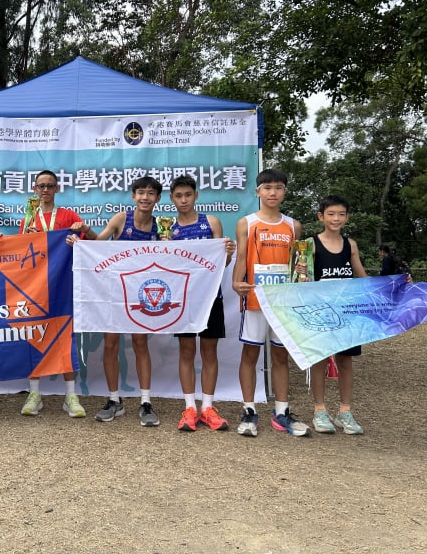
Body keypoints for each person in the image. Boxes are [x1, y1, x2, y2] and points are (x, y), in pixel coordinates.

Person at [70, 175, 163, 427]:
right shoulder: (122, 219)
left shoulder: (160, 226)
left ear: (157, 198)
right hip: (114, 294)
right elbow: (98, 246)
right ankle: (114, 400)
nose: (145, 197)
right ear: (133, 196)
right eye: (141, 192)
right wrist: (83, 237)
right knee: (111, 345)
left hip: (141, 295)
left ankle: (145, 402)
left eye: (150, 193)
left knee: (140, 344)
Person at [232, 168, 311, 437]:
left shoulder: (293, 225)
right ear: (258, 192)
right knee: (250, 354)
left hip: (283, 301)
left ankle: (281, 412)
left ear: (285, 192)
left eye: (278, 187)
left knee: (280, 355)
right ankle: (248, 410)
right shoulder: (246, 223)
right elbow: (241, 257)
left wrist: (302, 274)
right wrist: (236, 281)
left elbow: (298, 261)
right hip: (255, 297)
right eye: (267, 188)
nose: (272, 192)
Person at [161, 175, 235, 432]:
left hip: (211, 297)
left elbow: (222, 264)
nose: (183, 200)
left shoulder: (211, 222)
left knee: (209, 352)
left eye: (188, 195)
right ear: (172, 199)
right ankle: (190, 407)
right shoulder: (167, 229)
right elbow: (164, 267)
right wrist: (164, 249)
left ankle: (208, 408)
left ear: (196, 195)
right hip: (183, 299)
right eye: (178, 196)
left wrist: (228, 254)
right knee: (186, 351)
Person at [18, 170, 86, 418]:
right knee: (34, 335)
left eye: (49, 185)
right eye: (41, 186)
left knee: (64, 336)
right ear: (35, 189)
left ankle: (71, 395)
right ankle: (34, 393)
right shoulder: (27, 219)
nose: (45, 190)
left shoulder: (68, 216)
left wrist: (81, 231)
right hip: (35, 285)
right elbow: (19, 253)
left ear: (57, 189)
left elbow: (88, 241)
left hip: (63, 283)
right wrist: (22, 239)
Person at [306, 195, 367, 435]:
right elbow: (301, 278)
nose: (336, 218)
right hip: (320, 312)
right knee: (319, 360)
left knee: (346, 361)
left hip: (346, 311)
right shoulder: (310, 244)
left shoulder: (350, 245)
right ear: (321, 216)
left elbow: (363, 278)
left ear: (347, 217)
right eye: (331, 214)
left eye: (341, 214)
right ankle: (319, 411)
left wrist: (394, 284)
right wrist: (301, 271)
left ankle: (345, 411)